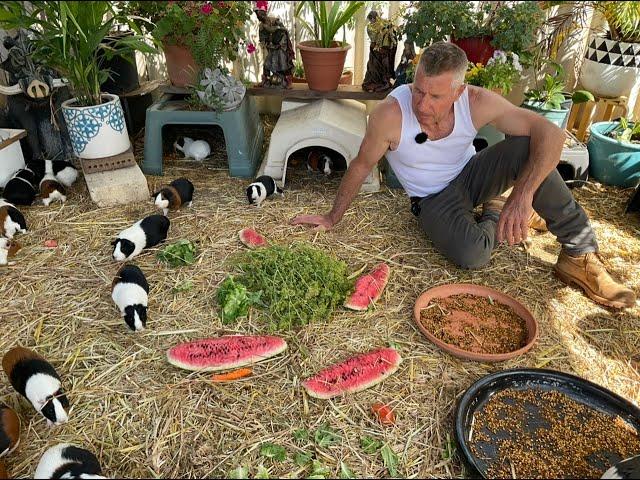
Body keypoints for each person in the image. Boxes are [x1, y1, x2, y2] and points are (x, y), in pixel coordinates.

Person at [291, 42, 636, 309]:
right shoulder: (390, 115)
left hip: (472, 174)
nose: (422, 104)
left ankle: (579, 255)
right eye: (418, 91)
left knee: (528, 147)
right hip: (432, 199)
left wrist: (523, 194)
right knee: (474, 255)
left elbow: (552, 134)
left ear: (458, 92)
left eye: (435, 96)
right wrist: (332, 216)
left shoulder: (475, 101)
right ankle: (495, 209)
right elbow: (361, 164)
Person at [254, 8, 295, 88]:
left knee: (283, 64)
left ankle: (288, 81)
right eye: (259, 16)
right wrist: (266, 44)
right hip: (271, 48)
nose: (261, 17)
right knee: (267, 64)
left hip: (280, 48)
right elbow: (262, 38)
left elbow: (284, 32)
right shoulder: (262, 26)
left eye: (261, 15)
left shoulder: (275, 21)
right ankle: (265, 80)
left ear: (265, 14)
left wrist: (280, 42)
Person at [362, 11, 399, 93]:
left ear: (375, 17)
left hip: (383, 50)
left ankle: (383, 82)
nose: (371, 21)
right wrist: (374, 43)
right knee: (372, 65)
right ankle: (372, 82)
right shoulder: (369, 26)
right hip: (374, 49)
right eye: (370, 19)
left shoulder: (383, 24)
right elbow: (372, 36)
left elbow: (390, 35)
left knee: (382, 66)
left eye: (372, 19)